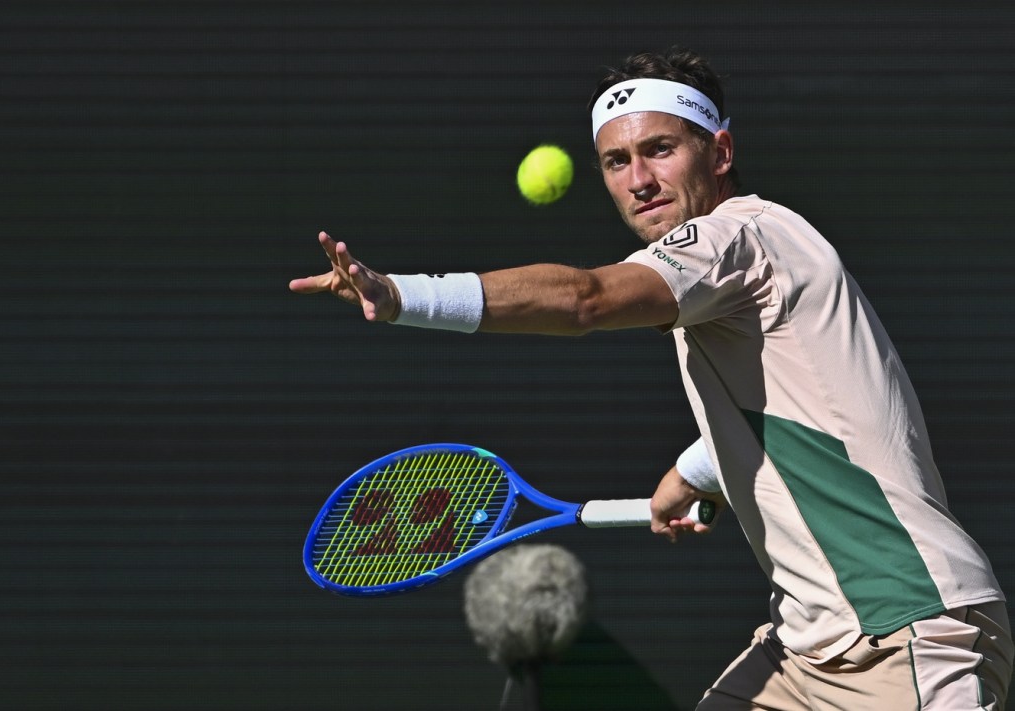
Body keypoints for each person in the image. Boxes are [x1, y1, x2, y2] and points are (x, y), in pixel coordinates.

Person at [290, 47, 1012, 709]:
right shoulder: (740, 271)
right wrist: (698, 468)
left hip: (906, 630)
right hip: (805, 649)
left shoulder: (738, 234)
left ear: (719, 150)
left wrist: (402, 296)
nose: (638, 180)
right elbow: (811, 402)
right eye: (616, 161)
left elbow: (584, 301)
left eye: (660, 150)